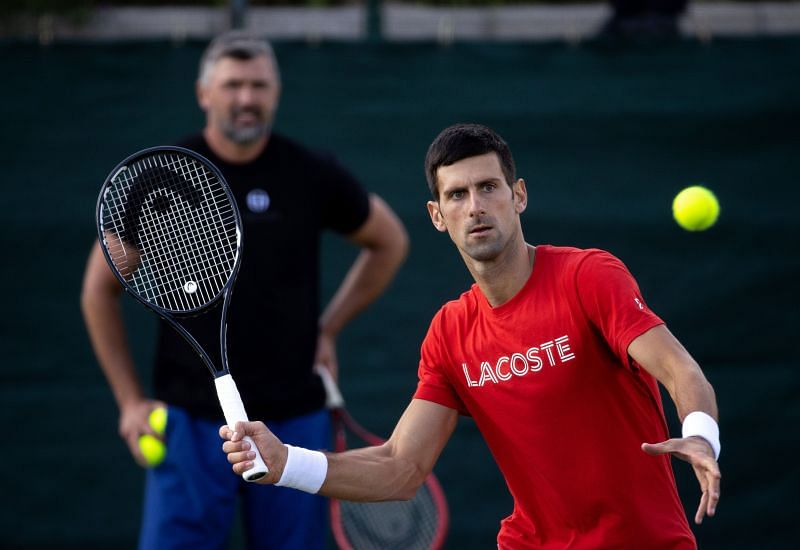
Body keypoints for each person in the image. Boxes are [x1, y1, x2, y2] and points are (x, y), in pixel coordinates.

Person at [220, 123, 722, 548]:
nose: (475, 206)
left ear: (518, 195)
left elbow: (681, 371)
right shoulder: (450, 332)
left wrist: (700, 433)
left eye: (488, 188)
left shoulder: (588, 277)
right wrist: (285, 463)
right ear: (438, 216)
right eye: (457, 195)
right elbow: (401, 466)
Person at [81, 31, 408, 550]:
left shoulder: (310, 173)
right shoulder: (158, 175)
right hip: (189, 426)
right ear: (204, 93)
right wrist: (128, 401)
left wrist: (328, 327)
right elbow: (98, 290)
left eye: (259, 85)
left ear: (276, 92)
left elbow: (388, 241)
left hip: (296, 420)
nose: (247, 98)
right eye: (233, 84)